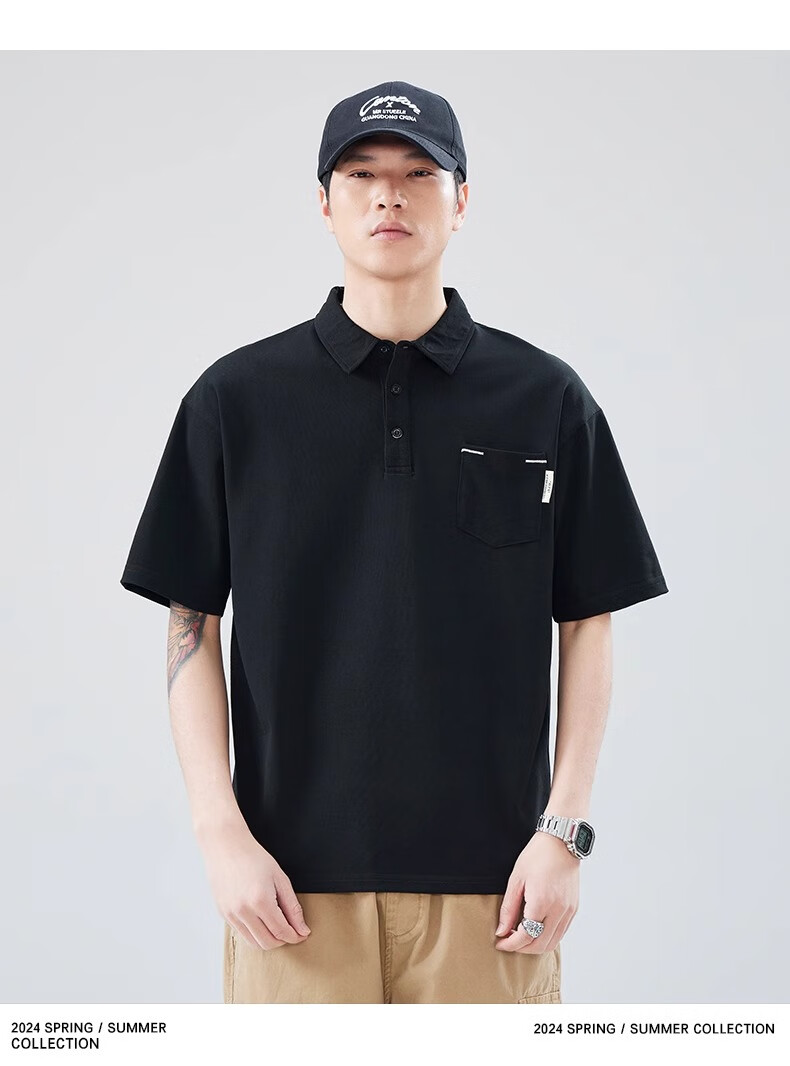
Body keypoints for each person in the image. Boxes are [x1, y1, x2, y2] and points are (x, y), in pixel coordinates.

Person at [120, 79, 669, 1004]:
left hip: (495, 890)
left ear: (462, 200)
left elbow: (588, 621)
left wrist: (564, 834)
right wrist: (221, 836)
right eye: (362, 174)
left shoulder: (545, 398)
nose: (390, 196)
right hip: (287, 891)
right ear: (324, 202)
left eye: (420, 173)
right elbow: (190, 623)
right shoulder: (235, 401)